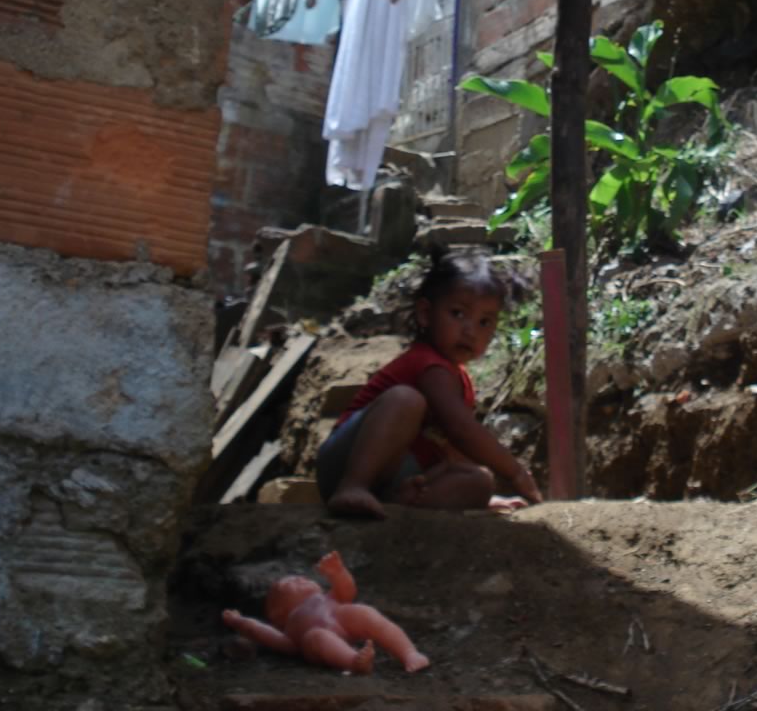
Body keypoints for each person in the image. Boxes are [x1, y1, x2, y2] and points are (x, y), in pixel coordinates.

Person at [317, 248, 543, 519]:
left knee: (479, 480)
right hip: (346, 462)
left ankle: (398, 501)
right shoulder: (428, 365)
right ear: (425, 313)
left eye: (485, 321)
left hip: (397, 475)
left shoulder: (459, 379)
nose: (470, 330)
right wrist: (515, 472)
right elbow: (461, 429)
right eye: (458, 314)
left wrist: (482, 497)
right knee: (405, 400)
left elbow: (455, 450)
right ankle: (353, 487)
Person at [222, 550, 429, 674]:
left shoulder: (328, 597)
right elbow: (260, 631)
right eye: (287, 584)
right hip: (315, 642)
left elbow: (348, 591)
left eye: (300, 577)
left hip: (341, 620)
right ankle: (353, 662)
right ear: (278, 615)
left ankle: (408, 652)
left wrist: (338, 573)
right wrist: (240, 622)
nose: (297, 579)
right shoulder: (289, 630)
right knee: (317, 636)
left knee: (362, 611)